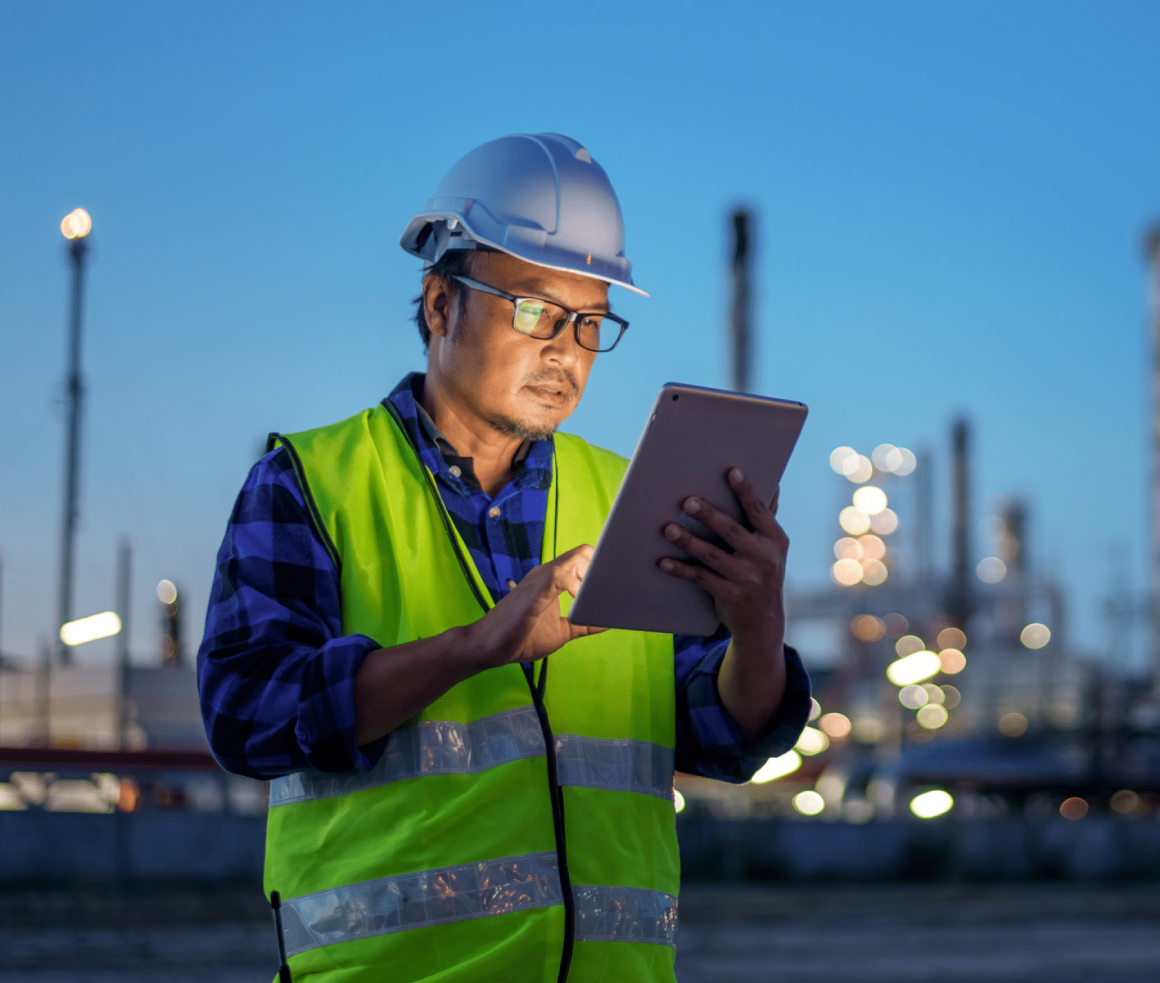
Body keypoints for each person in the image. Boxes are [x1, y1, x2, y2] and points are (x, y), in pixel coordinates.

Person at [197, 132, 810, 983]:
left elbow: (722, 734)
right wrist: (477, 645)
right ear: (441, 303)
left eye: (592, 321)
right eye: (535, 309)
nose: (566, 348)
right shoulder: (312, 484)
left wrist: (758, 628)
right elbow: (245, 713)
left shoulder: (626, 499)